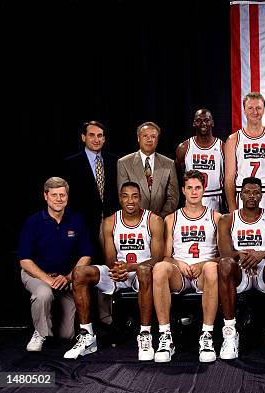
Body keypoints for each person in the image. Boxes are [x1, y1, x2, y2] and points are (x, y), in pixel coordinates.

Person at [63, 182, 164, 360]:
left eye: (134, 196)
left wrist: (130, 267)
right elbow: (110, 257)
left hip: (142, 273)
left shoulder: (153, 220)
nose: (130, 200)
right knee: (79, 273)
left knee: (144, 270)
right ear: (120, 198)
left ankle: (145, 334)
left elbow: (157, 257)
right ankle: (87, 336)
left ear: (140, 198)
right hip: (119, 271)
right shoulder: (110, 221)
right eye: (125, 196)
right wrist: (117, 269)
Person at [152, 170, 222, 363]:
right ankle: (166, 336)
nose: (193, 192)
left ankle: (207, 336)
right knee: (159, 268)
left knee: (211, 268)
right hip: (179, 273)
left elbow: (222, 257)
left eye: (197, 188)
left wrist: (203, 264)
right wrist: (178, 263)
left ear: (204, 190)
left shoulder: (216, 217)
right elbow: (166, 256)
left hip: (204, 274)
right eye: (189, 188)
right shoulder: (171, 219)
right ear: (183, 190)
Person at [217, 177, 265, 361]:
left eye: (256, 192)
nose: (251, 196)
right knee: (224, 264)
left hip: (264, 272)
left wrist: (262, 254)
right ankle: (230, 332)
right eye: (247, 192)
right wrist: (241, 254)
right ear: (241, 194)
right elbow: (225, 253)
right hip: (240, 272)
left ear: (262, 195)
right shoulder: (227, 219)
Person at [19, 177, 93, 351]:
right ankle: (39, 332)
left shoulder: (77, 220)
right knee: (44, 294)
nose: (59, 199)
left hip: (66, 276)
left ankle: (48, 321)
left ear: (67, 197)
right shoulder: (33, 222)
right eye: (54, 195)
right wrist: (48, 280)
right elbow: (25, 261)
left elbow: (86, 255)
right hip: (37, 274)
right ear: (46, 196)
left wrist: (68, 277)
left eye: (63, 195)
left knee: (66, 335)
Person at [224, 92, 265, 214]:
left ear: (264, 110)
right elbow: (229, 178)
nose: (255, 112)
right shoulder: (233, 139)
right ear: (244, 110)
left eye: (258, 108)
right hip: (242, 195)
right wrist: (232, 206)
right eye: (250, 108)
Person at [62, 121, 119, 254]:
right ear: (83, 137)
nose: (96, 139)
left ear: (104, 139)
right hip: (83, 222)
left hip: (111, 222)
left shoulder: (115, 161)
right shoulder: (70, 164)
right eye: (91, 135)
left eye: (100, 136)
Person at [117, 122, 179, 218]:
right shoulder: (124, 163)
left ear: (157, 140)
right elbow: (123, 196)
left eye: (153, 136)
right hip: (134, 221)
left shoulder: (169, 164)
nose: (149, 139)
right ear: (138, 138)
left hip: (161, 221)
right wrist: (138, 219)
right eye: (145, 136)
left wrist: (159, 219)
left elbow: (173, 197)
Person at [175, 109, 225, 212]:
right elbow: (179, 174)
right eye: (199, 120)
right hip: (191, 198)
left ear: (212, 123)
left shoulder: (222, 147)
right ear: (194, 123)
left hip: (215, 197)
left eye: (207, 120)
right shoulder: (184, 147)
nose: (203, 124)